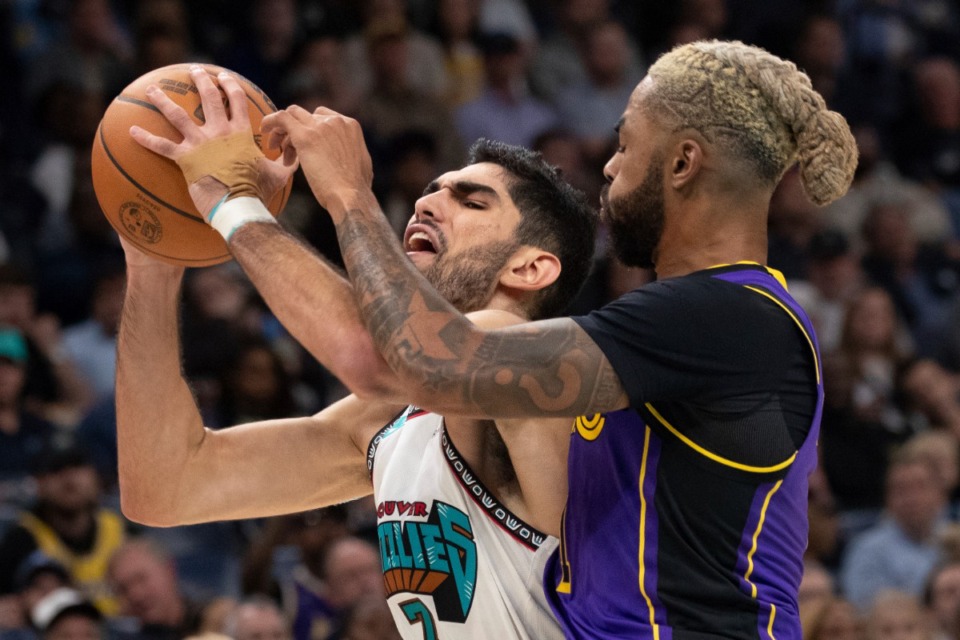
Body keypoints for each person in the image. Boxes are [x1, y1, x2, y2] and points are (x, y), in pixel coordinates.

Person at [207, 39, 855, 637]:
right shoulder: (685, 324)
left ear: (683, 162)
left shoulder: (726, 318)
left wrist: (343, 195)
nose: (608, 165)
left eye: (626, 145)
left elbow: (425, 364)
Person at [121, 67, 597, 639]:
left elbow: (379, 357)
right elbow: (166, 488)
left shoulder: (534, 363)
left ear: (530, 267)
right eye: (431, 191)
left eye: (471, 202)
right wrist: (154, 257)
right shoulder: (389, 421)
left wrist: (250, 201)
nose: (427, 205)